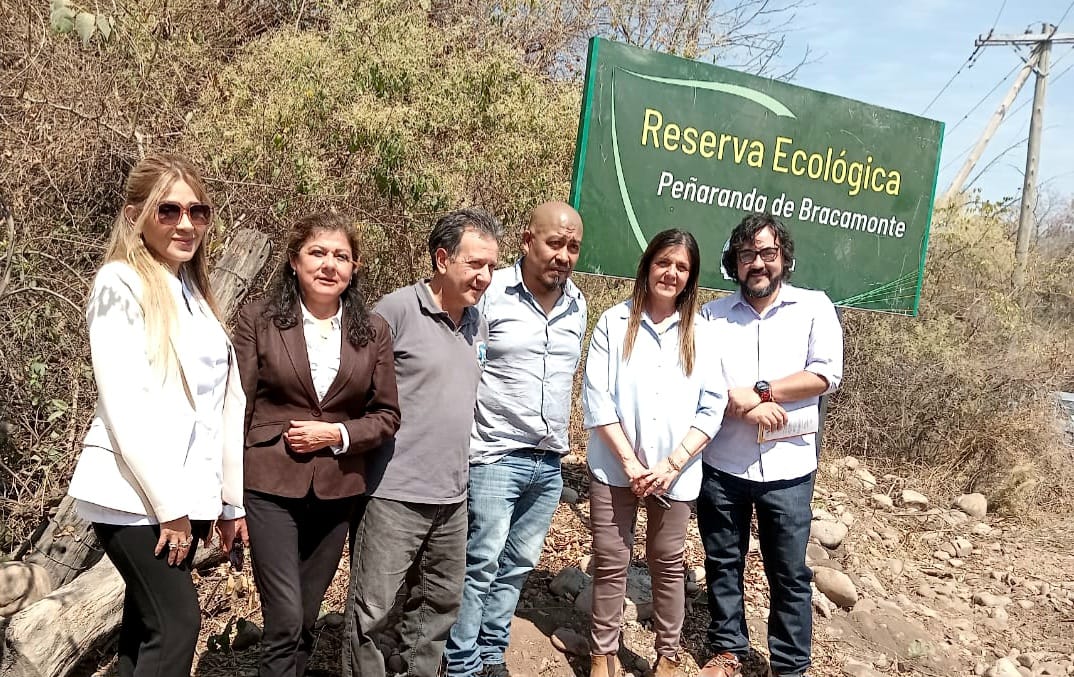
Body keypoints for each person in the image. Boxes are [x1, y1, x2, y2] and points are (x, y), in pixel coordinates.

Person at [67, 152, 248, 677]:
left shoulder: (194, 290)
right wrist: (169, 507)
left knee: (144, 630)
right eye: (168, 210)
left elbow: (221, 407)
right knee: (177, 624)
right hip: (135, 496)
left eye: (198, 211)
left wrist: (229, 502)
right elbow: (126, 404)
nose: (185, 223)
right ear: (135, 216)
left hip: (186, 496)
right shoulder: (120, 283)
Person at [233, 212, 401, 677]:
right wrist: (229, 496)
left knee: (307, 619)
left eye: (341, 256)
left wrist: (340, 434)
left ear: (355, 266)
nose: (329, 265)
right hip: (268, 485)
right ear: (294, 261)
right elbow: (237, 408)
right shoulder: (259, 320)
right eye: (318, 253)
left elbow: (387, 415)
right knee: (284, 619)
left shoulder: (373, 330)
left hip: (337, 489)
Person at [344, 208, 504, 677]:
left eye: (492, 266)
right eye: (476, 264)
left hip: (453, 494)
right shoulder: (394, 313)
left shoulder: (477, 323)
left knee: (439, 606)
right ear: (441, 258)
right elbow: (356, 394)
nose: (485, 276)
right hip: (394, 492)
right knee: (371, 612)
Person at [696, 214, 843, 677]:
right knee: (723, 563)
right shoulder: (711, 316)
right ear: (734, 263)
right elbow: (702, 380)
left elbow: (824, 375)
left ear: (783, 258)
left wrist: (762, 394)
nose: (757, 263)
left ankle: (790, 665)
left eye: (767, 253)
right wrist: (743, 409)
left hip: (789, 469)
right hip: (723, 464)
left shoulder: (814, 307)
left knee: (790, 574)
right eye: (746, 255)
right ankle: (728, 651)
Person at [445, 202, 587, 677]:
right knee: (479, 564)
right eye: (554, 243)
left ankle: (490, 655)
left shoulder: (578, 304)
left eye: (573, 246)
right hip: (494, 455)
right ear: (528, 241)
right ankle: (460, 662)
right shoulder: (490, 293)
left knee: (516, 567)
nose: (564, 255)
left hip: (549, 463)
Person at [583, 229, 726, 677]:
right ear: (647, 265)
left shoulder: (702, 334)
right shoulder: (613, 322)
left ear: (691, 277)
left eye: (682, 267)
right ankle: (601, 651)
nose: (671, 273)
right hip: (614, 466)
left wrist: (669, 465)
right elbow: (597, 398)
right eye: (664, 262)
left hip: (674, 475)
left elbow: (712, 405)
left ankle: (667, 654)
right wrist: (631, 464)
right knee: (610, 560)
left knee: (668, 565)